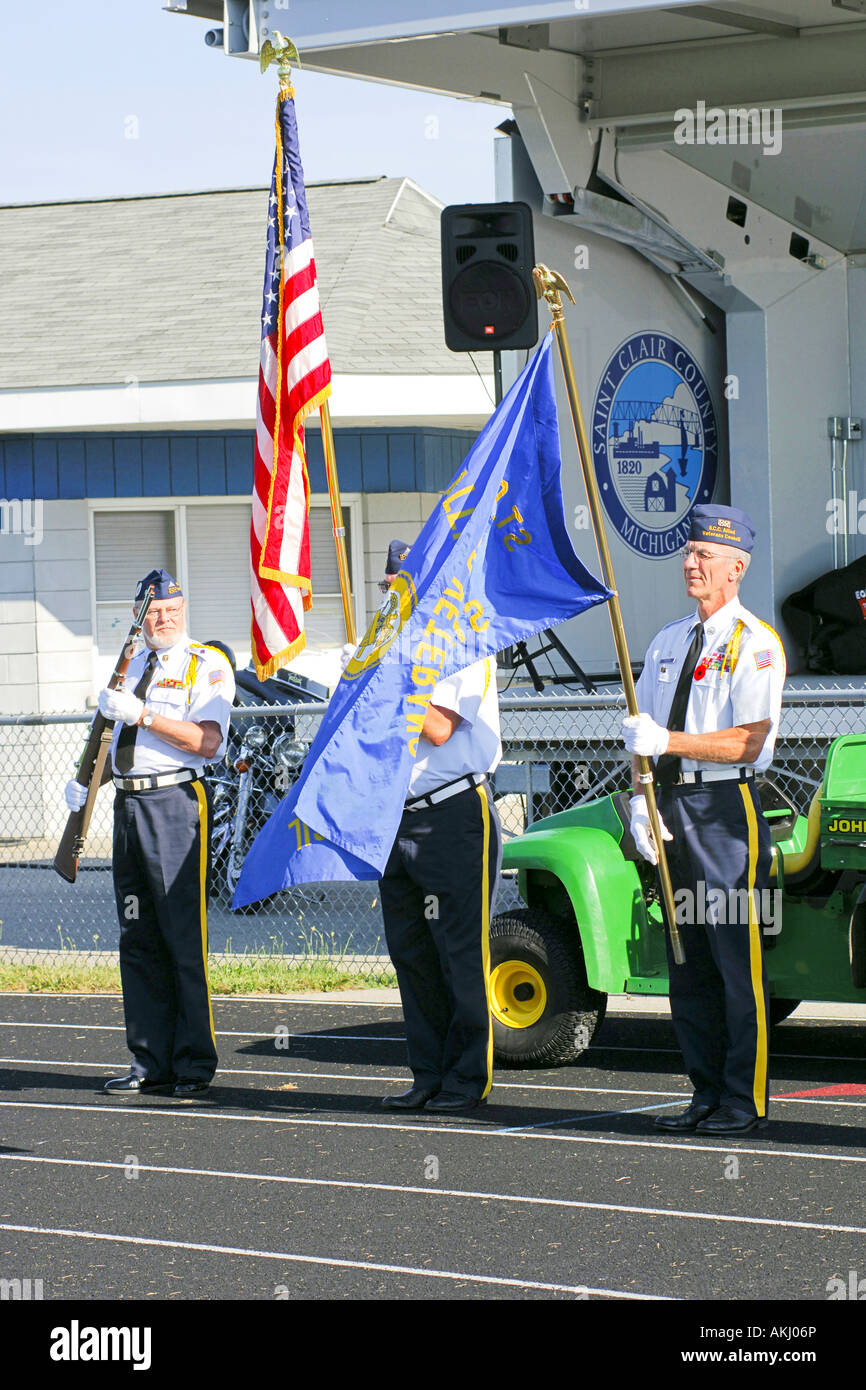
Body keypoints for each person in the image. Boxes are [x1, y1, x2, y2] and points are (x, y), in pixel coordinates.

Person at [621, 506, 785, 1137]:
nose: (691, 564)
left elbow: (750, 743)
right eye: (688, 553)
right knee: (686, 961)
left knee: (734, 962)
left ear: (736, 567)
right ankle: (705, 1091)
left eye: (705, 556)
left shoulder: (755, 643)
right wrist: (641, 795)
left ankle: (744, 1101)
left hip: (724, 813)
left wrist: (670, 742)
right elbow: (641, 736)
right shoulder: (668, 641)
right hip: (671, 804)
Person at [65, 569, 235, 1098]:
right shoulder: (132, 665)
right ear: (138, 616)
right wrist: (84, 785)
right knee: (137, 939)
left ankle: (193, 1064)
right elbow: (108, 743)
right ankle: (148, 1061)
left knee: (181, 938)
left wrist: (145, 715)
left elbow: (207, 741)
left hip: (176, 804)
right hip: (129, 805)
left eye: (172, 610)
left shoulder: (205, 665)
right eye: (153, 612)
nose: (163, 619)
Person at [373, 540, 503, 1114]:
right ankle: (426, 1073)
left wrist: (388, 669)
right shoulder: (385, 644)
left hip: (453, 813)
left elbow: (438, 727)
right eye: (389, 589)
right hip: (393, 816)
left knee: (459, 950)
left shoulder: (462, 639)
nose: (395, 598)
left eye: (404, 588)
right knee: (411, 953)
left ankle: (465, 1078)